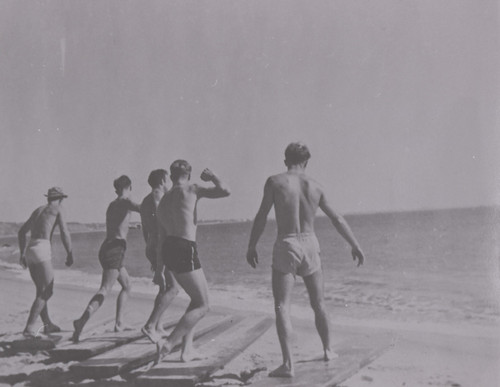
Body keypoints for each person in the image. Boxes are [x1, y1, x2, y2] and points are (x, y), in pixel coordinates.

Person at [246, 142, 365, 378]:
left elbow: (261, 215)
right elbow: (337, 218)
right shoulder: (316, 185)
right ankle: (328, 350)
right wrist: (355, 244)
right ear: (307, 161)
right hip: (311, 243)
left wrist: (252, 245)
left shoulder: (274, 181)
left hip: (287, 243)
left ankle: (288, 364)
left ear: (285, 160)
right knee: (318, 303)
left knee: (282, 305)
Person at [152, 160, 230, 363]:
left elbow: (160, 239)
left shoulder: (163, 201)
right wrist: (212, 176)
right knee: (204, 305)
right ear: (188, 174)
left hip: (169, 248)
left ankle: (187, 351)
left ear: (170, 175)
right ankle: (168, 344)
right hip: (185, 247)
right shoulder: (192, 188)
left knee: (196, 300)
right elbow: (225, 191)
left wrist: (159, 269)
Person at [72, 175, 140, 342]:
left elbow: (117, 224)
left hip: (109, 247)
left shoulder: (112, 205)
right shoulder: (126, 201)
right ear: (129, 187)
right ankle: (81, 321)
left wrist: (131, 226)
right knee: (104, 289)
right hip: (115, 249)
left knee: (127, 285)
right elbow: (144, 208)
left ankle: (119, 323)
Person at [18, 187, 74, 337]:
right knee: (47, 290)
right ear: (61, 198)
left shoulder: (38, 210)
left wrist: (22, 253)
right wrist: (69, 253)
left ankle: (47, 325)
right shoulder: (59, 209)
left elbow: (22, 231)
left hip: (31, 249)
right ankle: (29, 327)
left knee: (40, 290)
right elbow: (64, 232)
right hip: (42, 248)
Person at [140, 169, 178, 338]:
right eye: (168, 179)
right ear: (163, 180)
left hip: (151, 244)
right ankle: (150, 325)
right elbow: (161, 221)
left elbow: (145, 229)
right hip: (162, 243)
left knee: (163, 287)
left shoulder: (145, 200)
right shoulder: (158, 195)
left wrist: (151, 251)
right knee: (174, 287)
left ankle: (158, 325)